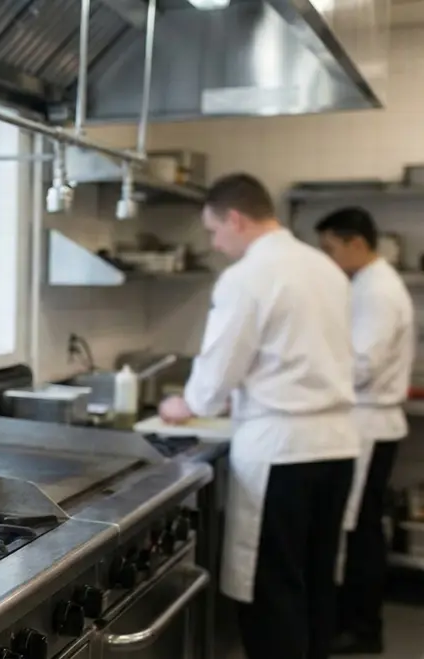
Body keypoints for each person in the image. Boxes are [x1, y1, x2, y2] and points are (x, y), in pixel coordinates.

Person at [158, 173, 360, 659]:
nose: (215, 244)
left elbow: (218, 367)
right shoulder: (325, 267)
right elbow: (301, 353)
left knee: (274, 588)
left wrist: (187, 405)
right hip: (337, 447)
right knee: (316, 580)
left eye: (214, 231)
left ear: (235, 218)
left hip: (283, 453)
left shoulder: (247, 276)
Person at [316, 207, 414, 655]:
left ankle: (362, 628)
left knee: (361, 531)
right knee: (359, 527)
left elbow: (362, 365)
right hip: (366, 421)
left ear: (356, 242)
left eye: (331, 248)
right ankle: (354, 621)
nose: (328, 258)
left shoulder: (377, 291)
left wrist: (311, 381)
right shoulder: (367, 283)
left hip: (370, 424)